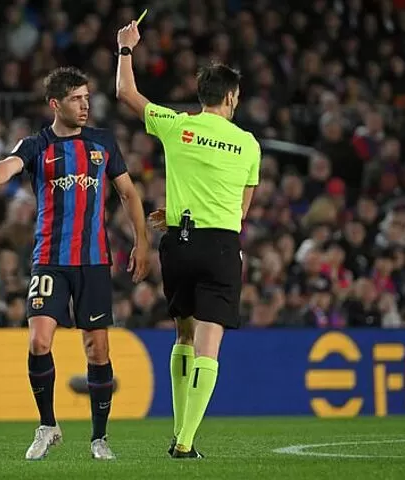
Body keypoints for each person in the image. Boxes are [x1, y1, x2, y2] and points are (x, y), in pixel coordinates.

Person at [0, 66, 149, 460]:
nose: (85, 106)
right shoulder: (38, 145)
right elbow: (9, 164)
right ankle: (48, 425)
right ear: (55, 104)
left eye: (86, 98)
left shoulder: (102, 142)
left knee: (97, 349)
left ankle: (99, 438)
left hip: (93, 261)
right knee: (38, 340)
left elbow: (128, 194)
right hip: (49, 259)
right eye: (76, 99)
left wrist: (142, 242)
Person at [116, 22, 260, 458]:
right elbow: (240, 211)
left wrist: (125, 48)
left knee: (183, 334)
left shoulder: (177, 126)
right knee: (209, 344)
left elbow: (126, 93)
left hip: (178, 242)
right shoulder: (248, 144)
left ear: (201, 95)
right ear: (230, 97)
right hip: (220, 246)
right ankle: (184, 441)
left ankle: (179, 431)